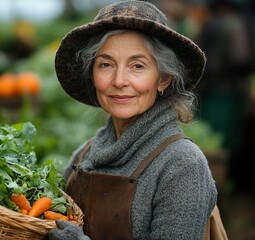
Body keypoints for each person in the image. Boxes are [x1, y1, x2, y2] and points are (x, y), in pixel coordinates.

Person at [47, 1, 217, 239]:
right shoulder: (84, 155)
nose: (119, 80)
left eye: (137, 66)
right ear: (92, 74)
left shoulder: (182, 165)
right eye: (105, 64)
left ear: (163, 79)